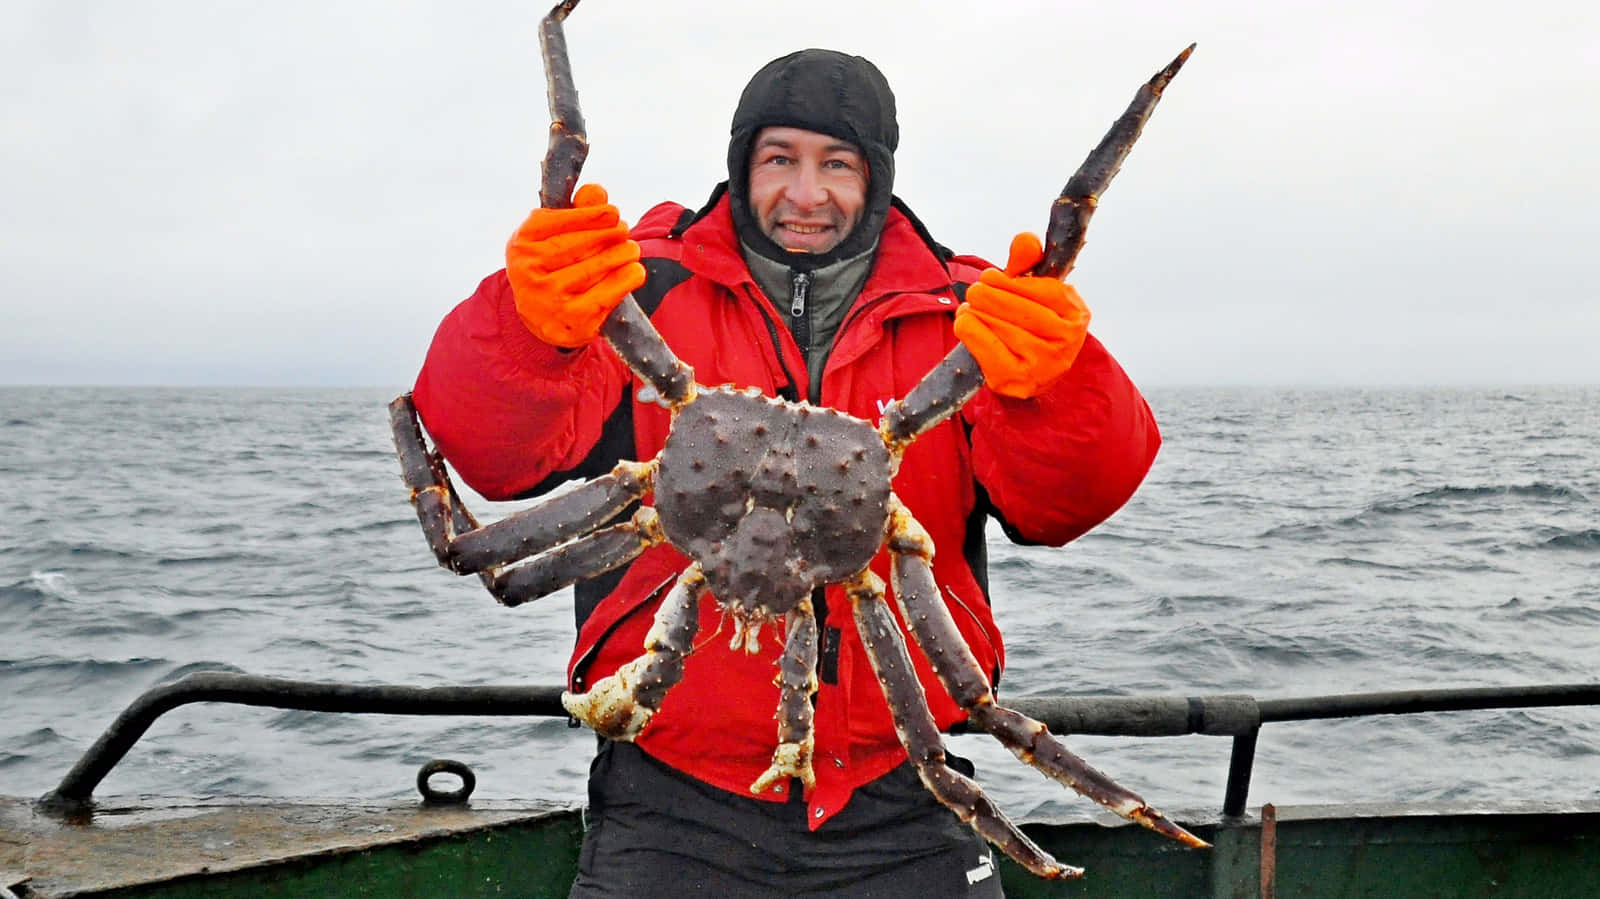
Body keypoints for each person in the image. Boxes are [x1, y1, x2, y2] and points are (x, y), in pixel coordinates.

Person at [412, 49, 1160, 898]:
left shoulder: (971, 320)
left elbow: (1071, 499)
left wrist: (1054, 387)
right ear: (742, 165)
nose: (806, 194)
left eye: (836, 165)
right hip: (666, 798)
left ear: (875, 179)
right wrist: (529, 327)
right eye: (780, 160)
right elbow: (492, 454)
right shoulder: (635, 287)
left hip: (899, 793)